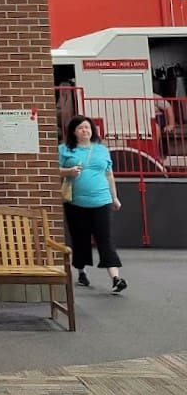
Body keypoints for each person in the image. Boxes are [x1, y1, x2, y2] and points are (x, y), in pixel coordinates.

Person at [59, 114, 127, 293]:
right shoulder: (64, 150)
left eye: (87, 127)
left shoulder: (101, 150)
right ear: (73, 131)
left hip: (101, 200)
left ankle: (115, 277)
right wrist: (68, 171)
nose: (85, 130)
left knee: (104, 238)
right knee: (80, 238)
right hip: (75, 202)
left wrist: (115, 197)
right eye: (80, 128)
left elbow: (109, 174)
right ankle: (81, 271)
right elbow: (53, 170)